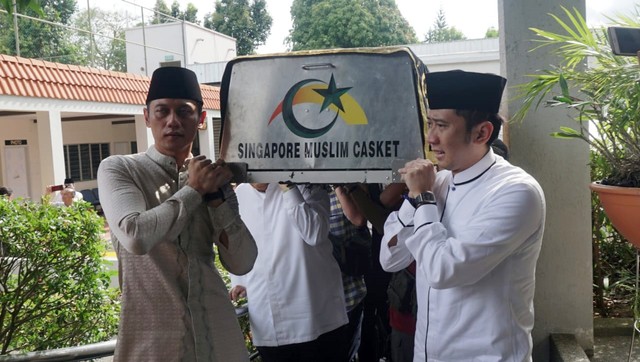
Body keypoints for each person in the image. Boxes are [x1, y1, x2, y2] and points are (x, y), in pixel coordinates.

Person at [380, 70, 546, 361]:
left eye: (441, 126)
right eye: (429, 123)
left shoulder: (515, 191)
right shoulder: (439, 182)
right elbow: (390, 258)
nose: (430, 138)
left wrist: (422, 197)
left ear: (482, 133)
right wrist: (416, 198)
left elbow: (443, 271)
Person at [97, 66, 258, 362]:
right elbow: (135, 236)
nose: (173, 121)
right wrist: (193, 190)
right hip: (152, 341)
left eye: (184, 112)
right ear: (147, 117)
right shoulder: (120, 169)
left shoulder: (212, 180)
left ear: (200, 119)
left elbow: (243, 260)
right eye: (162, 111)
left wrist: (215, 198)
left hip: (218, 337)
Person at [230, 183, 349, 362]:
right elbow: (239, 244)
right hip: (267, 321)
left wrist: (288, 187)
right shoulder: (240, 193)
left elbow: (315, 233)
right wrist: (239, 281)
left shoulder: (309, 186)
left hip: (316, 319)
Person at [329, 185, 370, 361]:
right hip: (317, 298)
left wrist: (337, 185)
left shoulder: (347, 186)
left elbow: (359, 219)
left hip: (349, 291)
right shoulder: (296, 192)